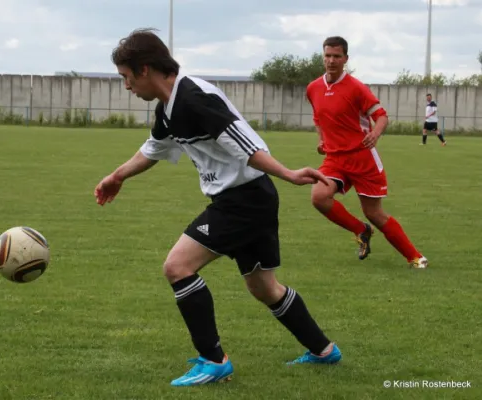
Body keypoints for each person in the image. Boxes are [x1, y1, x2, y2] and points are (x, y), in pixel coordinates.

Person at [94, 28, 342, 387]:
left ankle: (213, 361)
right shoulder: (169, 108)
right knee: (263, 287)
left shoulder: (195, 97)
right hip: (246, 198)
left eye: (126, 78)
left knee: (177, 267)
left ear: (144, 69)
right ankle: (324, 350)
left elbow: (246, 144)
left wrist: (287, 173)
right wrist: (117, 176)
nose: (127, 86)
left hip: (244, 201)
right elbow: (154, 149)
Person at [306, 36, 428, 269]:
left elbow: (381, 115)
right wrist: (321, 139)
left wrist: (375, 134)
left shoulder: (356, 88)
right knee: (319, 197)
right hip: (335, 159)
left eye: (337, 56)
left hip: (362, 158)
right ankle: (361, 230)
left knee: (374, 213)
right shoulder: (313, 88)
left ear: (345, 59)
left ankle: (415, 257)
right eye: (328, 56)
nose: (331, 61)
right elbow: (318, 116)